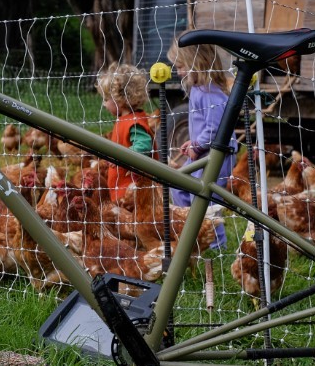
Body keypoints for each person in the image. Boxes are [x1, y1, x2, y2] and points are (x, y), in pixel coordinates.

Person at [167, 33, 237, 249]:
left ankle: (217, 245)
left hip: (216, 154)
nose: (178, 72)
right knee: (180, 186)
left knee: (206, 198)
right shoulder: (199, 90)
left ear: (196, 64)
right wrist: (194, 141)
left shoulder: (209, 93)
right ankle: (194, 227)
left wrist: (198, 145)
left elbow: (216, 129)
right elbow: (206, 126)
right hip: (205, 151)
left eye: (180, 66)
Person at [96, 62, 155, 202]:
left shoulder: (134, 122)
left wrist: (122, 157)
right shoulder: (124, 120)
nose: (104, 104)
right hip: (122, 187)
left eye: (106, 99)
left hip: (132, 190)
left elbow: (144, 144)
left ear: (119, 100)